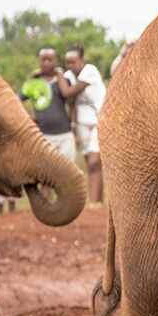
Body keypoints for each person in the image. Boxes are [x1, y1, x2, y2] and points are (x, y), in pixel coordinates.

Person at [57, 43, 107, 203]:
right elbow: (71, 103)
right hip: (82, 123)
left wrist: (58, 74)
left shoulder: (89, 71)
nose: (70, 65)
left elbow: (67, 93)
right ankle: (98, 202)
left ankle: (95, 203)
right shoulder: (68, 76)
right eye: (67, 62)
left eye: (73, 61)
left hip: (99, 119)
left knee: (93, 162)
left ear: (81, 60)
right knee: (91, 165)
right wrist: (73, 124)